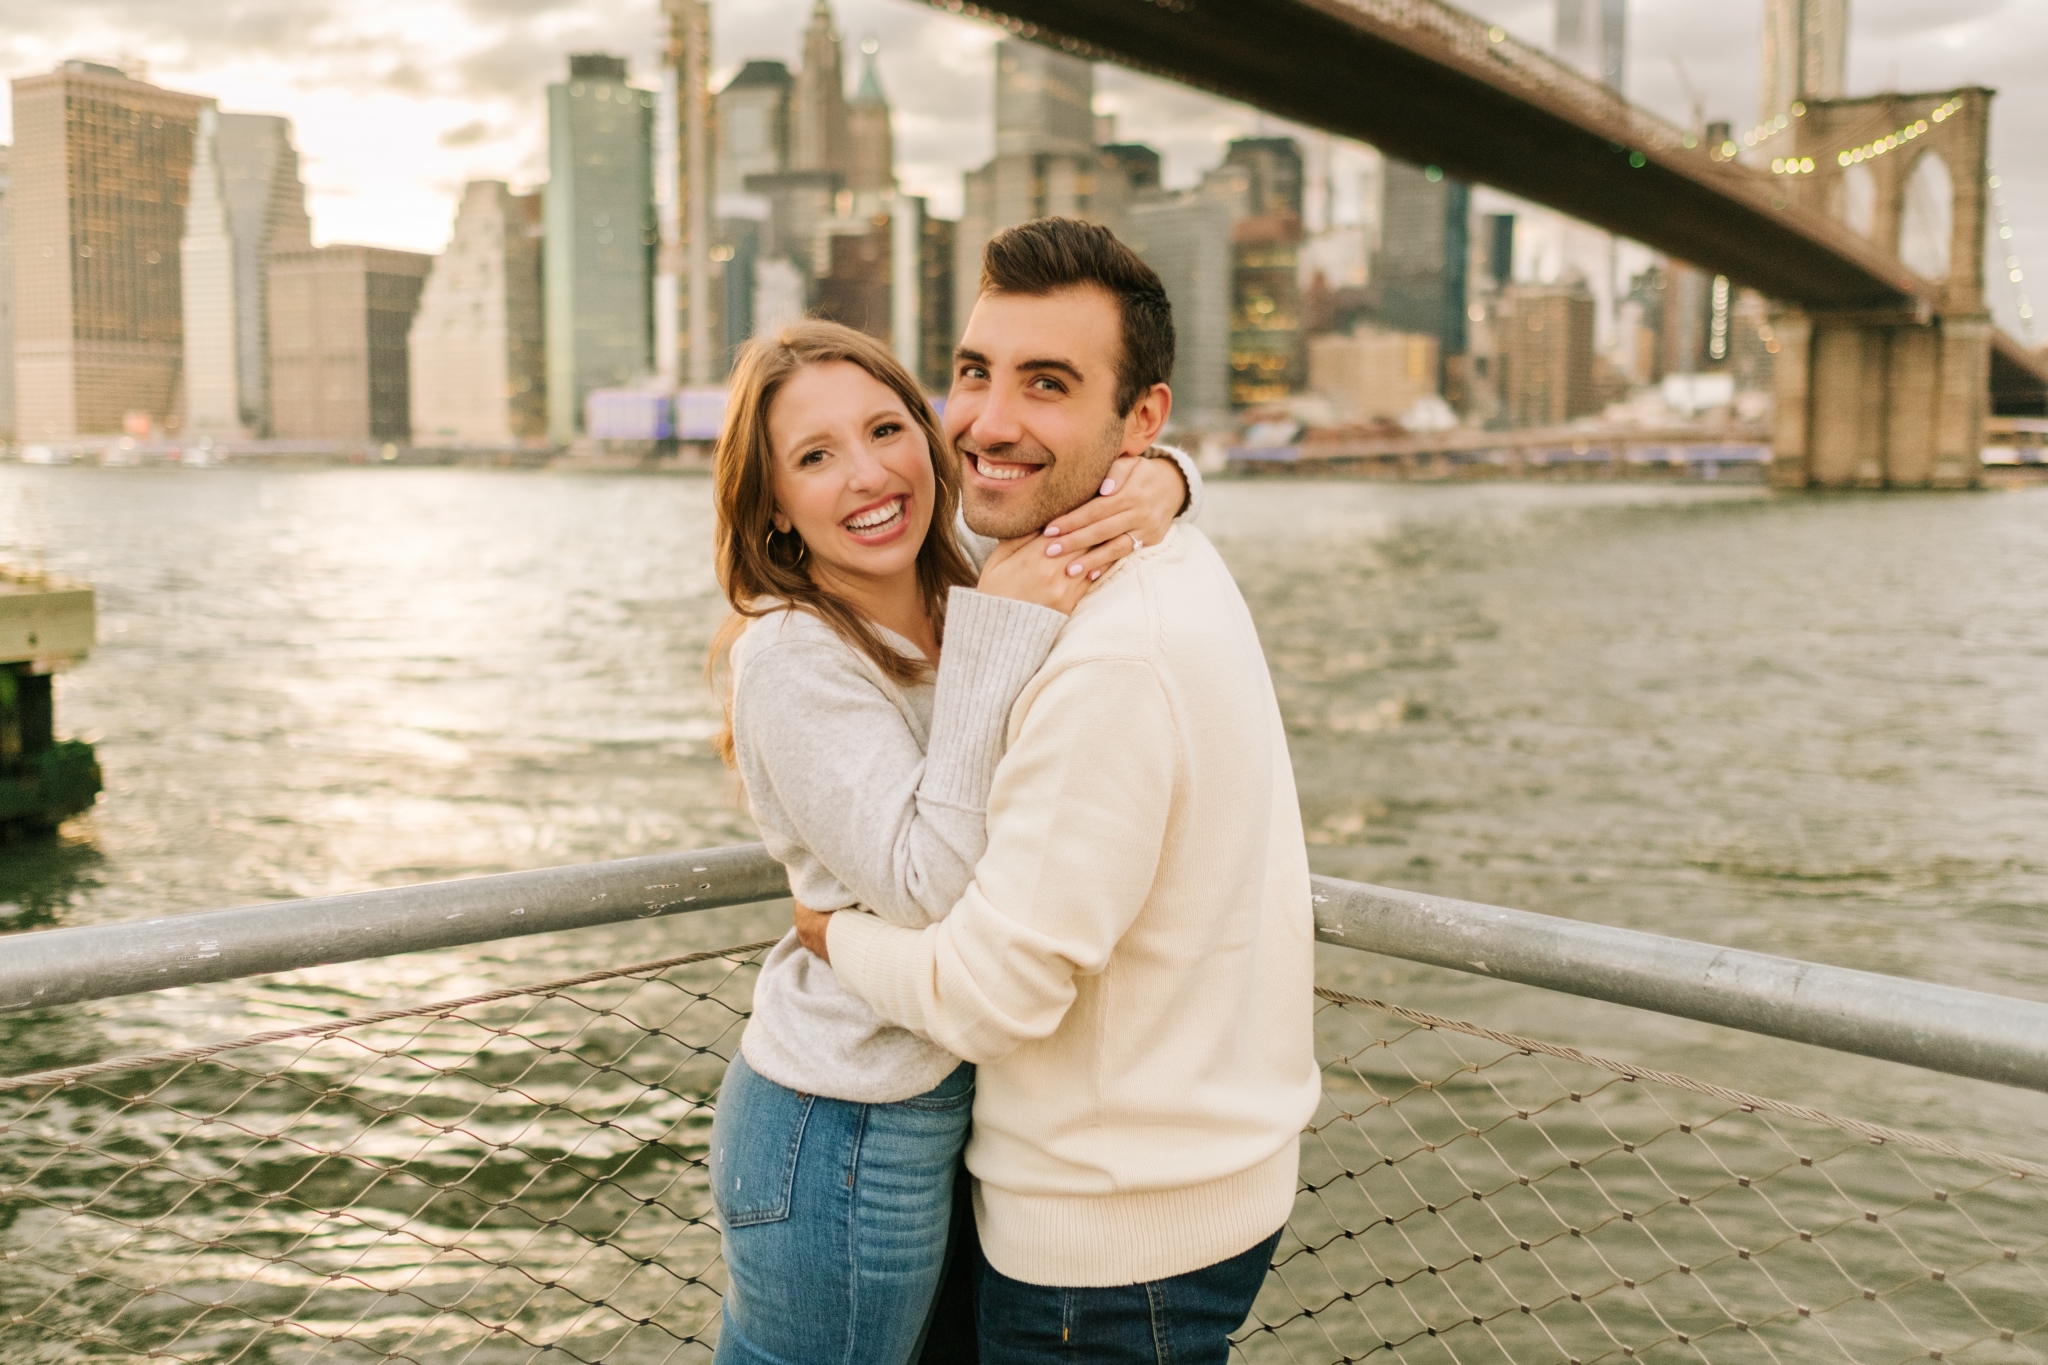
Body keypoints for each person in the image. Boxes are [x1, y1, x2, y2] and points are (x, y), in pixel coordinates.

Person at [796, 217, 1321, 1364]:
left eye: (1047, 384)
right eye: (974, 373)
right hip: (1181, 1183)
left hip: (1104, 1247)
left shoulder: (1107, 654)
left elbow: (990, 996)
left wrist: (828, 936)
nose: (988, 420)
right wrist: (1175, 484)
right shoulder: (1140, 550)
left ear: (1139, 422)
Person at [704, 317, 1199, 1365]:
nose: (867, 474)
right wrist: (994, 638)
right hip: (838, 1123)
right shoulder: (791, 656)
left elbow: (1108, 479)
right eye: (814, 457)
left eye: (886, 429)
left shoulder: (964, 585)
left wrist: (1163, 482)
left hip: (954, 1105)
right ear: (775, 511)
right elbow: (931, 889)